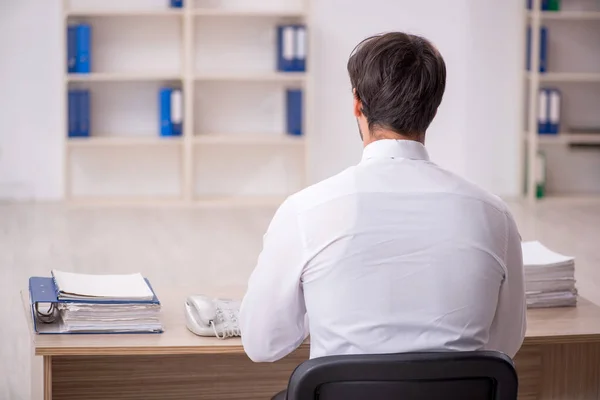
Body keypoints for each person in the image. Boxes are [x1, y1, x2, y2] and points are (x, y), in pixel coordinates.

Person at [239, 32, 526, 362]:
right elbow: (504, 345)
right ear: (433, 109)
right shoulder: (494, 215)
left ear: (357, 104)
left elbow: (262, 345)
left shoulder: (305, 211)